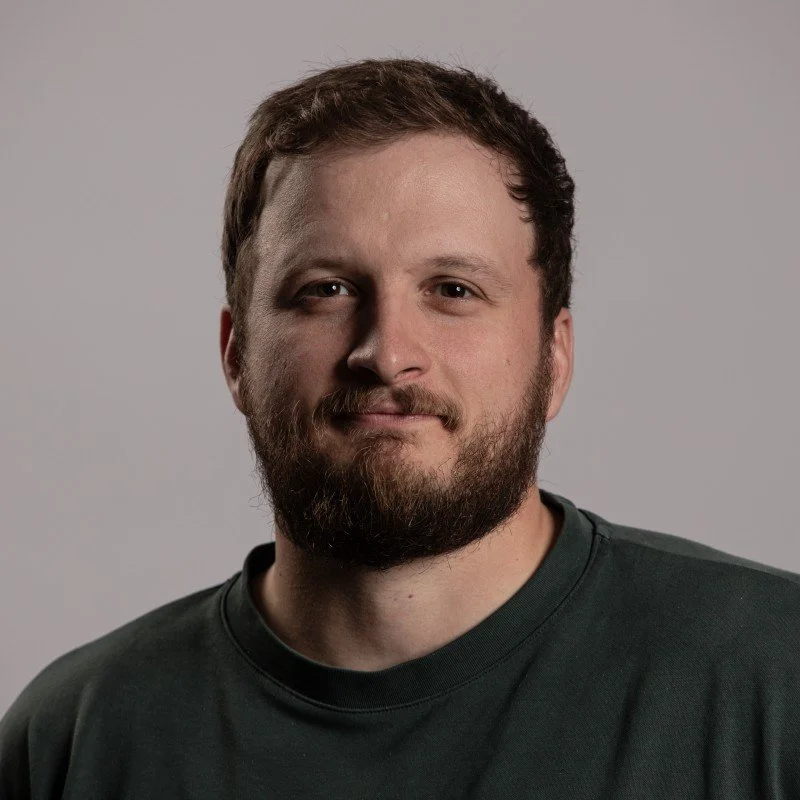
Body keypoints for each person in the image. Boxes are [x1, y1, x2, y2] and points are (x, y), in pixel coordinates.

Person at [1, 57, 798, 799]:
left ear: (554, 359)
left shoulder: (774, 679)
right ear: (237, 355)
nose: (386, 354)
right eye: (327, 289)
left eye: (452, 289)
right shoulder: (71, 741)